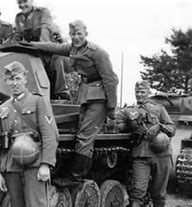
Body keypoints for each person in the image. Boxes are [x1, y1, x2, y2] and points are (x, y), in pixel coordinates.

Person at [21, 20, 119, 185]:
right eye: (73, 34)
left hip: (99, 98)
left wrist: (111, 110)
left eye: (79, 34)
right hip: (86, 95)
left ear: (85, 34)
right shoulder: (72, 49)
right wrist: (28, 45)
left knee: (84, 136)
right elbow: (52, 47)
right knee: (79, 134)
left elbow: (111, 81)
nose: (76, 37)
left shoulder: (97, 53)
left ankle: (76, 176)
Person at [0, 61, 59, 207]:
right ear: (6, 81)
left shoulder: (38, 102)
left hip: (34, 163)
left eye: (17, 78)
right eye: (10, 79)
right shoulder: (3, 108)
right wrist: (0, 171)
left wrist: (46, 164)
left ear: (25, 79)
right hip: (12, 165)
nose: (14, 83)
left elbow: (50, 135)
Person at [116, 80, 176, 207]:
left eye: (143, 92)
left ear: (148, 93)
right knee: (138, 189)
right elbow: (117, 122)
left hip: (161, 154)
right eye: (137, 92)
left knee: (159, 191)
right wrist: (124, 126)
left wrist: (160, 126)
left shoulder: (159, 109)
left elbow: (172, 128)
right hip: (141, 155)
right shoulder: (129, 111)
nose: (140, 94)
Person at [13, 0, 70, 99]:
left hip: (46, 50)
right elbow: (17, 37)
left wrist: (35, 45)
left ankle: (61, 93)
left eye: (25, 2)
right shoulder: (19, 18)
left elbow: (45, 33)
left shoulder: (42, 13)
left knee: (56, 60)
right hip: (30, 51)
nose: (22, 5)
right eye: (19, 3)